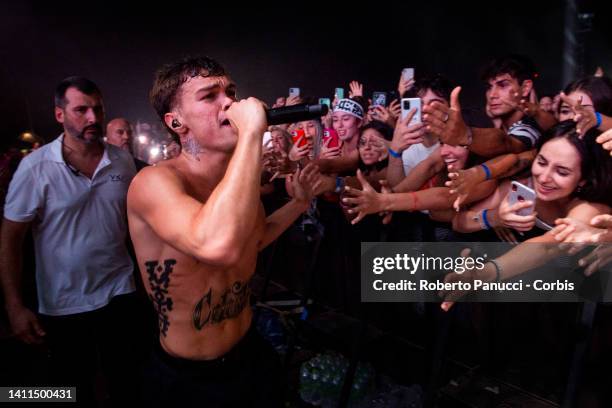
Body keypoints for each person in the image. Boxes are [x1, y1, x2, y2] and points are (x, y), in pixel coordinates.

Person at [128, 56, 318, 407]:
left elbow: (254, 237)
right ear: (176, 122)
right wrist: (251, 136)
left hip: (249, 355)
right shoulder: (155, 182)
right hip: (189, 380)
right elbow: (218, 246)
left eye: (230, 91)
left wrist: (298, 204)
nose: (229, 102)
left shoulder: (237, 187)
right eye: (209, 95)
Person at [1, 76, 142, 406]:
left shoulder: (121, 161)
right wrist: (14, 305)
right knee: (70, 389)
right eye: (81, 110)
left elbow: (140, 221)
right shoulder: (35, 168)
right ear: (60, 114)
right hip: (64, 303)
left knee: (127, 383)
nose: (93, 118)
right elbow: (10, 239)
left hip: (120, 292)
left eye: (98, 109)